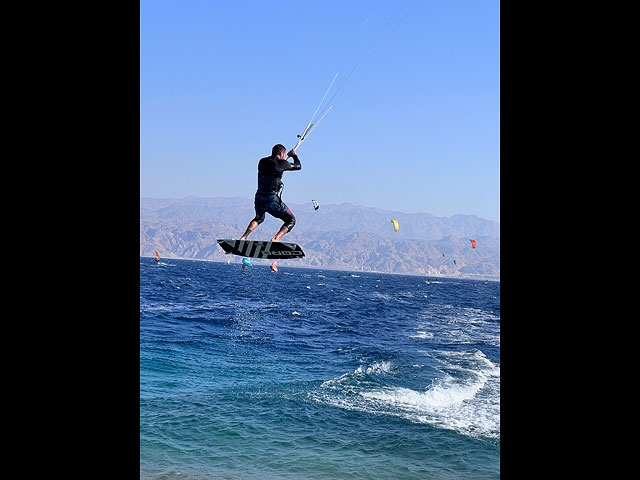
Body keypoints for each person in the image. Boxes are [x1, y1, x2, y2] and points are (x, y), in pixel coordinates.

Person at [239, 144, 301, 242]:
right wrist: (294, 155)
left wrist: (283, 162)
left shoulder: (262, 161)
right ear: (281, 153)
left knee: (259, 218)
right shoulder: (282, 164)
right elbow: (298, 166)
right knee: (291, 220)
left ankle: (244, 237)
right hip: (271, 199)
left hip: (259, 197)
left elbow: (274, 167)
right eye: (284, 155)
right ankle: (276, 239)